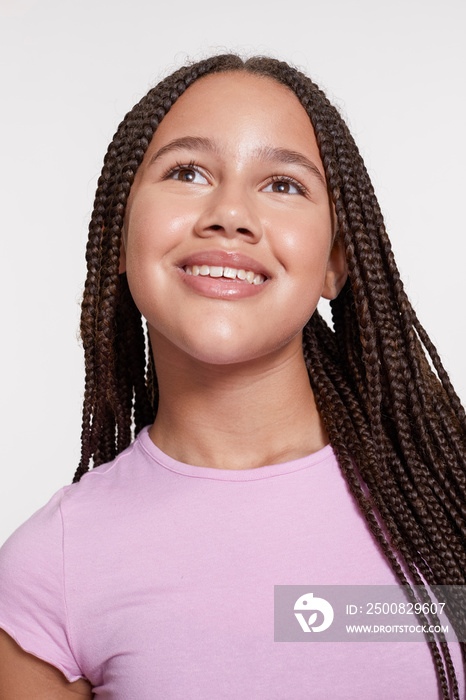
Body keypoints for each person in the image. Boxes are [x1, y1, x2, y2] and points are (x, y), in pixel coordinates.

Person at [0, 53, 464, 699]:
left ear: (335, 261)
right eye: (187, 172)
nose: (230, 214)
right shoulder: (50, 567)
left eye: (283, 185)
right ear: (120, 234)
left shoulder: (444, 496)